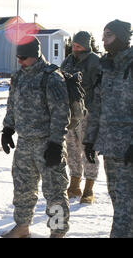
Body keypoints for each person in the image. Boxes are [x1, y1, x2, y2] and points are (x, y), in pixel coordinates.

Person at [1, 37, 70, 238]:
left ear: (36, 55)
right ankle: (22, 227)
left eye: (23, 57)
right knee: (22, 189)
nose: (20, 61)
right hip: (24, 144)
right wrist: (7, 129)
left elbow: (61, 113)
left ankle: (57, 232)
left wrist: (56, 144)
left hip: (47, 144)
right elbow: (12, 104)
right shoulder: (19, 76)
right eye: (18, 57)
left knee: (55, 193)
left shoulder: (51, 77)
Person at [83, 19, 133, 238]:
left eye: (109, 34)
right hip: (110, 147)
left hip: (129, 150)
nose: (103, 39)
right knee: (116, 198)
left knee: (125, 204)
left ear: (122, 37)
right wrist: (89, 139)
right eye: (103, 34)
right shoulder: (105, 67)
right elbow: (96, 106)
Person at [61, 31, 101, 204]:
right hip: (70, 113)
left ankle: (89, 188)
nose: (75, 48)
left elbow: (99, 87)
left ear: (86, 45)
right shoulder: (68, 61)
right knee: (71, 149)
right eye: (74, 45)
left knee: (88, 150)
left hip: (88, 112)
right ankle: (75, 184)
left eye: (79, 46)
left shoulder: (94, 62)